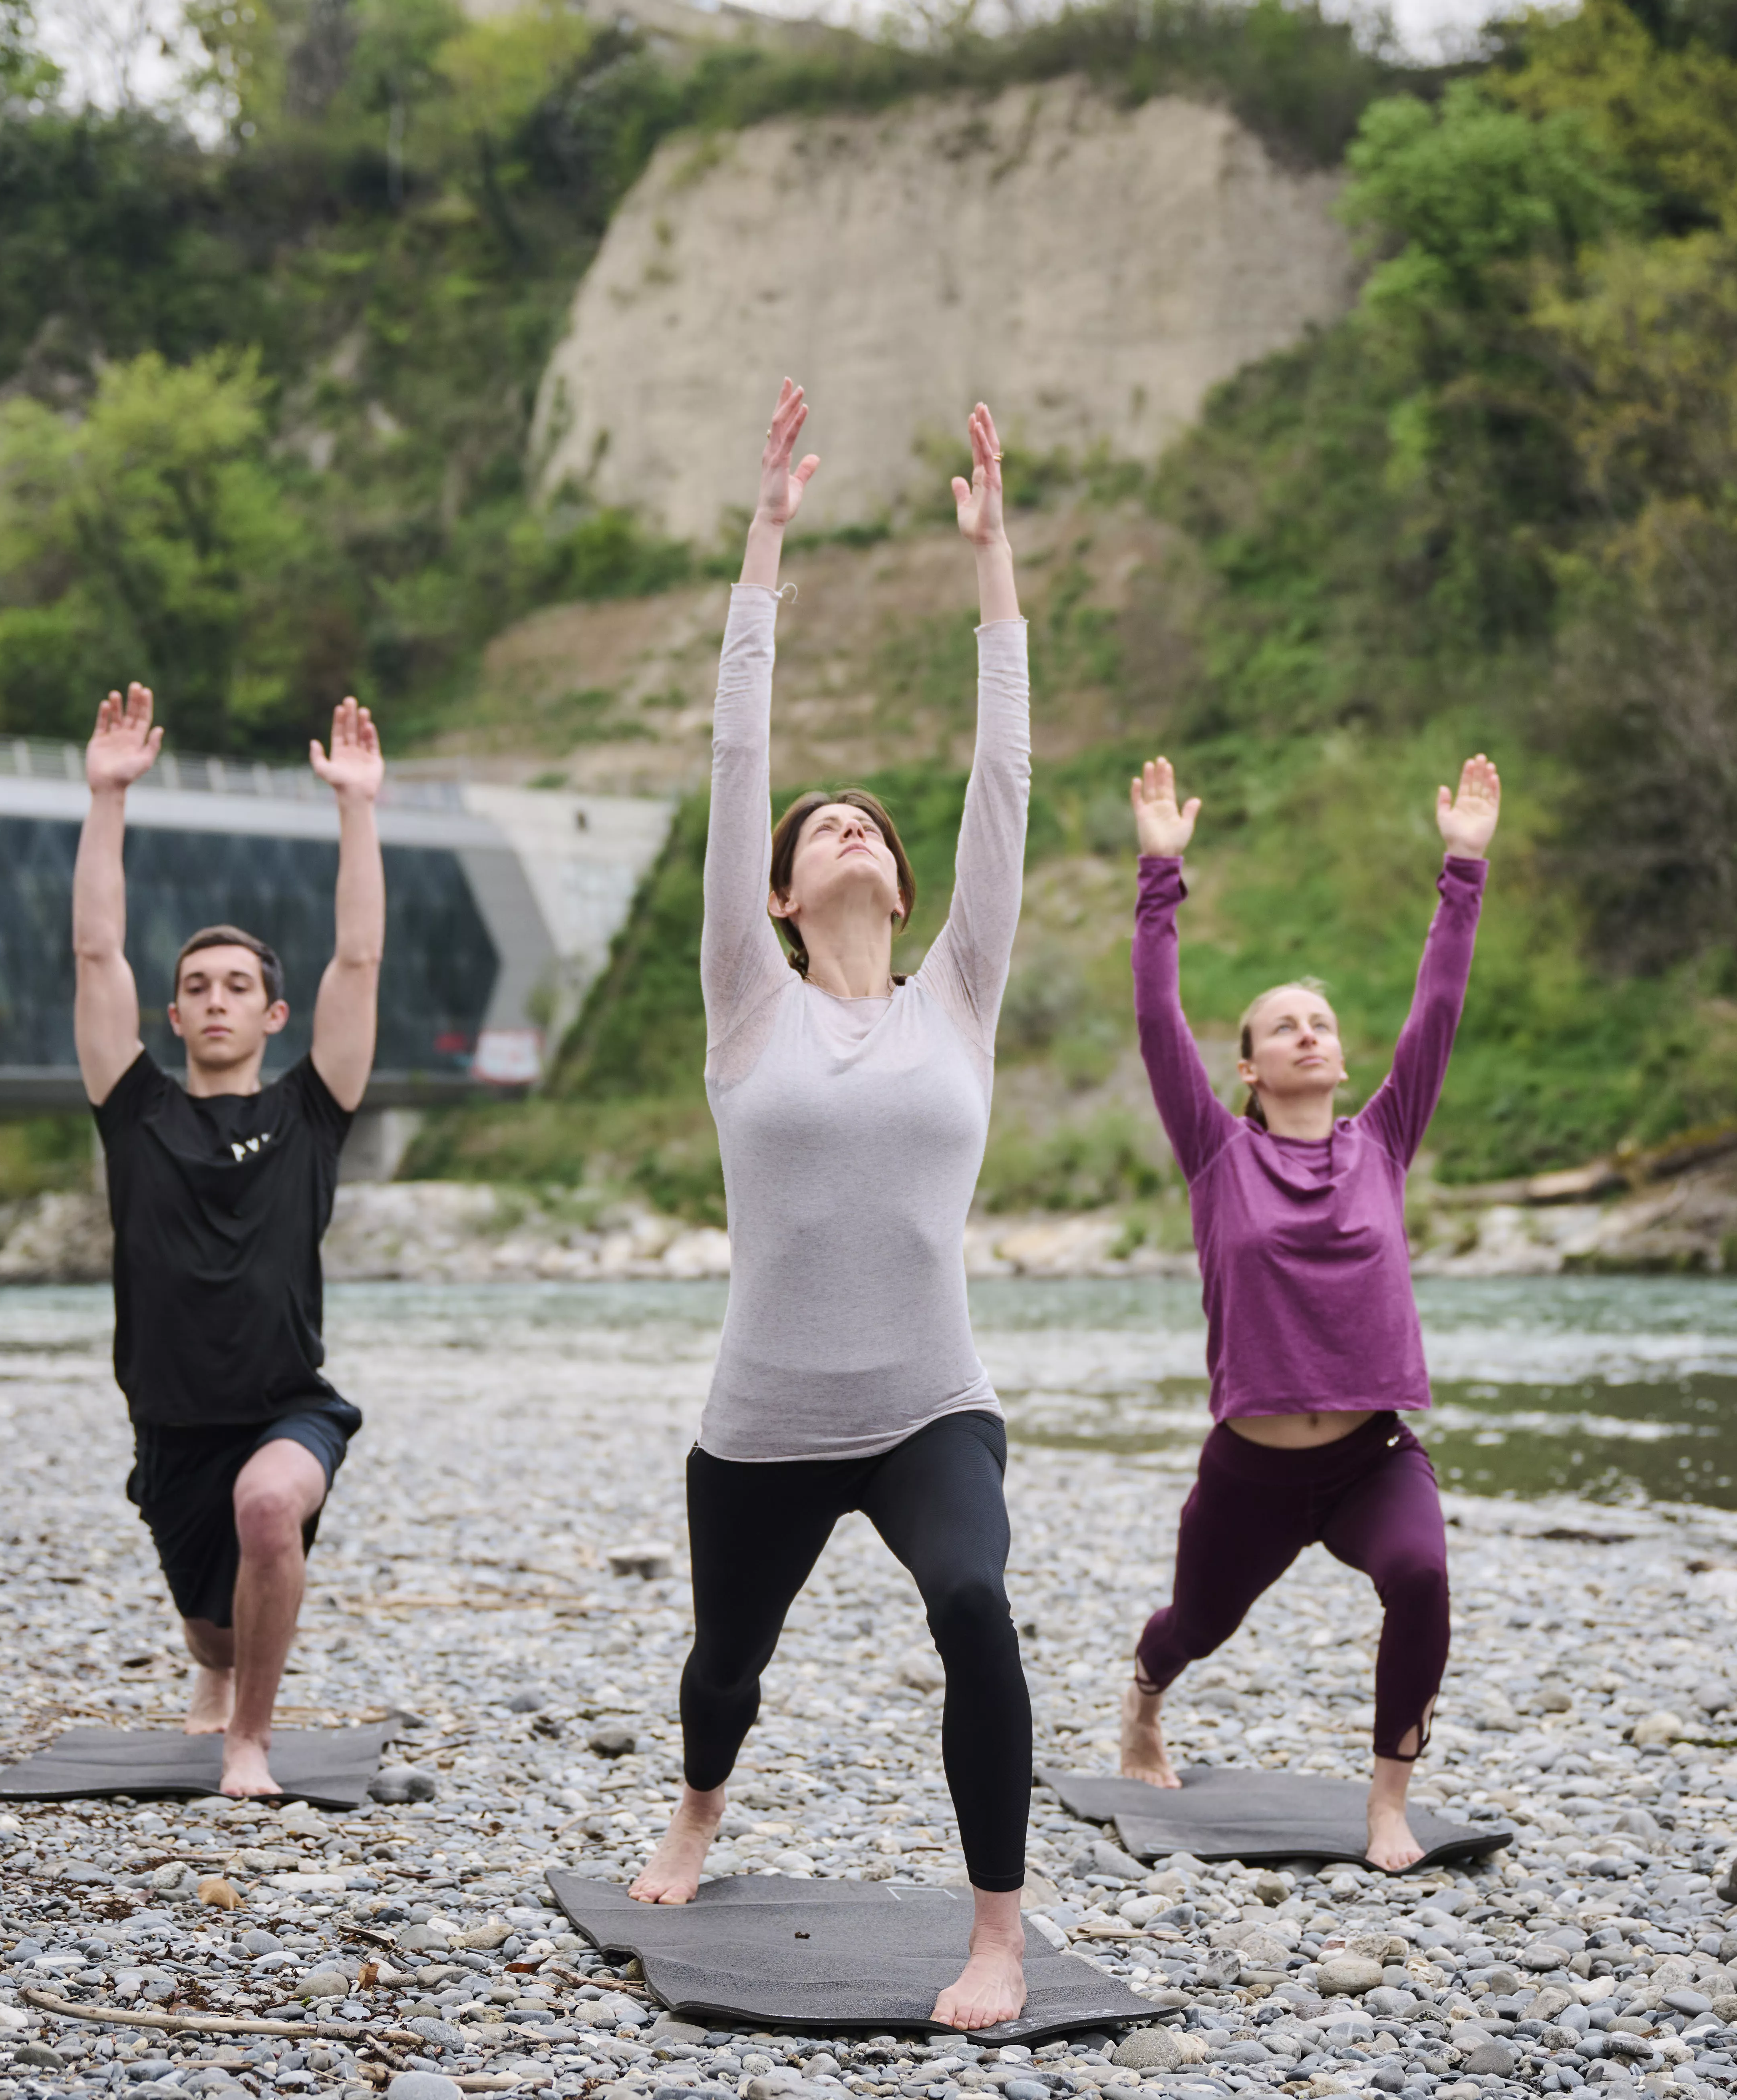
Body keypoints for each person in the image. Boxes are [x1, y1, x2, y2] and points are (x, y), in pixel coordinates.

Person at [628, 380, 1033, 2029]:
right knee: (725, 1666)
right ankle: (698, 1804)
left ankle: (994, 1931)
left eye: (864, 819)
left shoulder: (957, 999)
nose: (843, 823)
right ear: (782, 901)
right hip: (763, 1421)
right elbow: (739, 761)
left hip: (930, 1404)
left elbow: (1002, 770)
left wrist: (994, 559)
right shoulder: (750, 1003)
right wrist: (763, 550)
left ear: (900, 878)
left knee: (972, 1601)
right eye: (816, 834)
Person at [1116, 750, 1501, 1870]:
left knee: (1422, 1577)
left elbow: (1439, 1006)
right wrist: (1160, 878)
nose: (1309, 1034)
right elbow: (1155, 1018)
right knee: (1197, 1627)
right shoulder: (1216, 1154)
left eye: (1322, 1022)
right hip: (1254, 1467)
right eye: (1283, 1025)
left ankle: (1388, 1802)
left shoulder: (1384, 1139)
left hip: (1372, 1453)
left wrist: (1463, 868)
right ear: (1246, 1067)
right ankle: (1144, 1700)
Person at [72, 682, 385, 1799]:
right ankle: (217, 1676)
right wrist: (107, 798)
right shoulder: (136, 1109)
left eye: (239, 986)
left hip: (284, 1404)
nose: (215, 999)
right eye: (196, 987)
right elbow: (97, 955)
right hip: (169, 1421)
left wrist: (358, 808)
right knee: (210, 1626)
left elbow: (358, 963)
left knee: (268, 1511)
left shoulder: (311, 1111)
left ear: (272, 1015)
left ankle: (250, 1742)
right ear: (173, 1017)